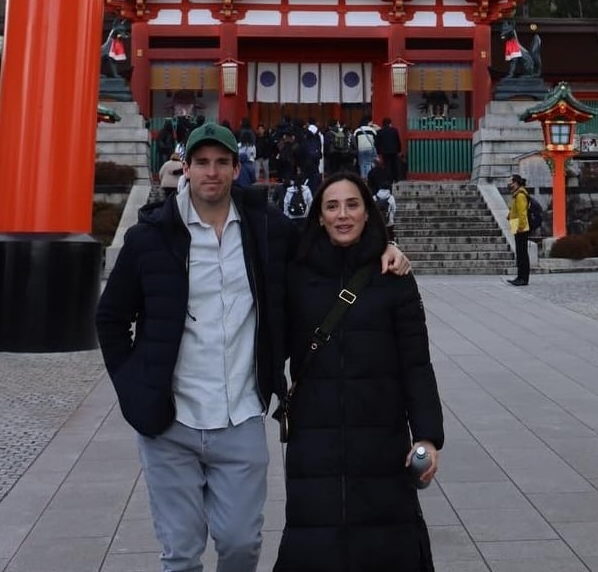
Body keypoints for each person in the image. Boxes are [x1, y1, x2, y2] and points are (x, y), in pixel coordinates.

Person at [97, 122, 411, 572]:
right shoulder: (151, 238)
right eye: (201, 162)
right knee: (181, 554)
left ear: (235, 168)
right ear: (184, 167)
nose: (211, 172)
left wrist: (388, 248)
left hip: (239, 413)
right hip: (170, 420)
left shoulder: (266, 229)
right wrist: (132, 387)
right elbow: (110, 318)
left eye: (221, 162)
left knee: (242, 544)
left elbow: (331, 237)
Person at [275, 171, 442, 571]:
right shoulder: (297, 274)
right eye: (332, 206)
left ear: (368, 213)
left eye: (353, 205)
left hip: (380, 434)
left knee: (386, 544)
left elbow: (416, 363)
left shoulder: (393, 276)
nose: (343, 215)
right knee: (315, 541)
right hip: (315, 435)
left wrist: (428, 435)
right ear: (318, 216)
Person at [505, 174, 530, 286]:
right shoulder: (516, 194)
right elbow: (516, 210)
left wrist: (521, 227)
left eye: (511, 182)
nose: (509, 184)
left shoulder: (520, 195)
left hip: (521, 228)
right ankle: (520, 277)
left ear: (516, 183)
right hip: (517, 226)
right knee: (520, 253)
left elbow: (522, 213)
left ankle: (523, 278)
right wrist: (510, 215)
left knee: (522, 254)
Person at [375, 117, 403, 183]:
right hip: (394, 150)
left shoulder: (380, 132)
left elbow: (377, 143)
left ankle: (388, 179)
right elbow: (398, 140)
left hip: (384, 151)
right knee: (395, 164)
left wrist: (378, 152)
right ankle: (396, 178)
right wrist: (399, 150)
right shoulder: (394, 130)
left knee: (387, 165)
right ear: (390, 123)